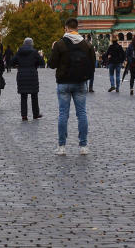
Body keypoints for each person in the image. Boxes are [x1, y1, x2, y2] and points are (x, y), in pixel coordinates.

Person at [49, 17, 96, 155]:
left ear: (66, 28)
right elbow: (93, 65)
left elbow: (52, 64)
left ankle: (62, 147)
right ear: (77, 28)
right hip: (80, 82)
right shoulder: (87, 45)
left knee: (63, 114)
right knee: (82, 114)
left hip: (63, 83)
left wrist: (53, 50)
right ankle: (83, 146)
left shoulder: (59, 44)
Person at [10, 37, 45, 122]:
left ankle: (24, 116)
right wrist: (35, 63)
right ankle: (36, 114)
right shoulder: (34, 52)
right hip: (32, 75)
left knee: (23, 96)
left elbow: (12, 62)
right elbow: (42, 63)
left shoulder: (19, 52)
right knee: (34, 96)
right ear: (31, 44)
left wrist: (18, 65)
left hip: (21, 75)